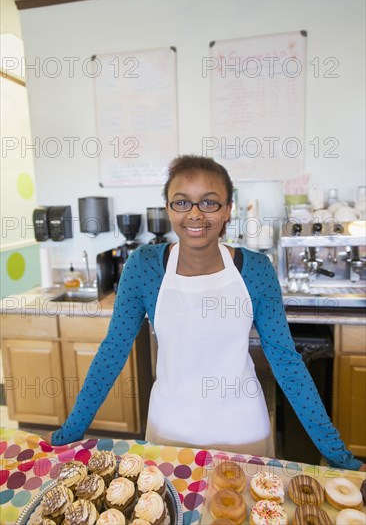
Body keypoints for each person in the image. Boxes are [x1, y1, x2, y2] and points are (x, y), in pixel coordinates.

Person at [49, 155, 365, 471]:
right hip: (169, 434)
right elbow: (112, 353)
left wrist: (340, 456)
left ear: (228, 210)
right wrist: (68, 436)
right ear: (168, 208)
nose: (195, 214)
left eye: (209, 203)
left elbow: (287, 363)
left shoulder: (256, 270)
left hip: (243, 434)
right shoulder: (143, 267)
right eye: (182, 203)